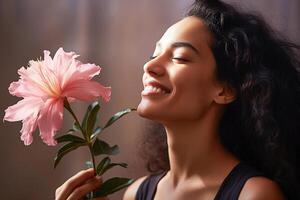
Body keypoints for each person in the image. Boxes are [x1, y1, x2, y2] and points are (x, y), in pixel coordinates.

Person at [55, 0, 300, 199]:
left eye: (180, 57)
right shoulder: (136, 193)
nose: (150, 65)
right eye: (154, 54)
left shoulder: (254, 195)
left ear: (224, 90)